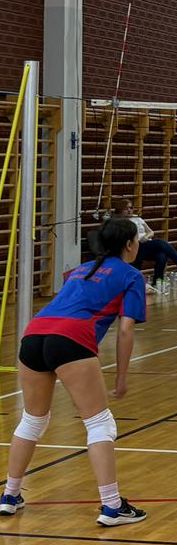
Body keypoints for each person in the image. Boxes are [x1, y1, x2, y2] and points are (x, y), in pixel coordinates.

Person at [0, 217, 147, 526]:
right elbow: (125, 331)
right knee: (100, 424)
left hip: (34, 334)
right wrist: (121, 378)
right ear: (128, 245)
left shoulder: (80, 269)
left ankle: (10, 496)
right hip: (71, 337)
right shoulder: (131, 275)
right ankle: (112, 506)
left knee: (32, 420)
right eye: (137, 240)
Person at [111, 198, 177, 293]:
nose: (129, 210)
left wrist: (146, 237)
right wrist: (138, 240)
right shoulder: (120, 222)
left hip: (146, 243)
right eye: (126, 208)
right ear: (120, 210)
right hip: (136, 246)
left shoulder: (137, 218)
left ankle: (157, 283)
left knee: (161, 255)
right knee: (160, 243)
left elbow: (151, 232)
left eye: (131, 208)